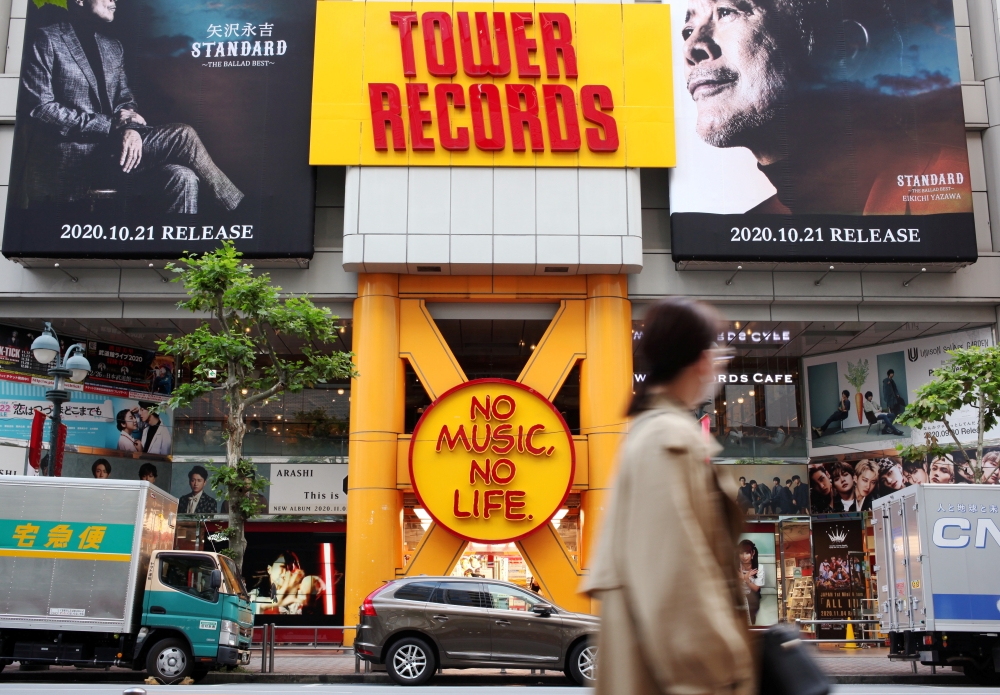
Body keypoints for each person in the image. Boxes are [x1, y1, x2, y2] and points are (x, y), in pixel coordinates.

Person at [582, 298, 754, 695]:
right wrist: (727, 668)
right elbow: (675, 585)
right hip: (681, 678)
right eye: (718, 352)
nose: (721, 364)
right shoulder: (666, 438)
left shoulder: (658, 432)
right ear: (701, 359)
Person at [680, 0, 971, 215]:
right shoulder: (755, 233)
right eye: (688, 29)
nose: (691, 47)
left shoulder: (953, 197)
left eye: (726, 12)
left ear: (844, 48)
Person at [15, 0, 244, 213]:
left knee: (183, 176)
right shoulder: (46, 39)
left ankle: (179, 244)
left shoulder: (112, 47)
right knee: (183, 135)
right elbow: (40, 109)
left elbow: (125, 100)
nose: (114, 0)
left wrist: (131, 129)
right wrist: (110, 124)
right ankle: (240, 210)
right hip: (74, 160)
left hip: (115, 153)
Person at [265, 550, 326, 615]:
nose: (286, 572)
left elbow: (315, 583)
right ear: (269, 569)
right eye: (282, 567)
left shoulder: (300, 593)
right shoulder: (259, 594)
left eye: (290, 568)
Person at [737, 539, 763, 626]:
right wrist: (743, 578)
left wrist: (746, 579)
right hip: (738, 596)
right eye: (741, 553)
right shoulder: (736, 566)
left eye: (747, 553)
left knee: (751, 617)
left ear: (753, 553)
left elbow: (756, 588)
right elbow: (735, 586)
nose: (744, 556)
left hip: (752, 596)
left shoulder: (759, 567)